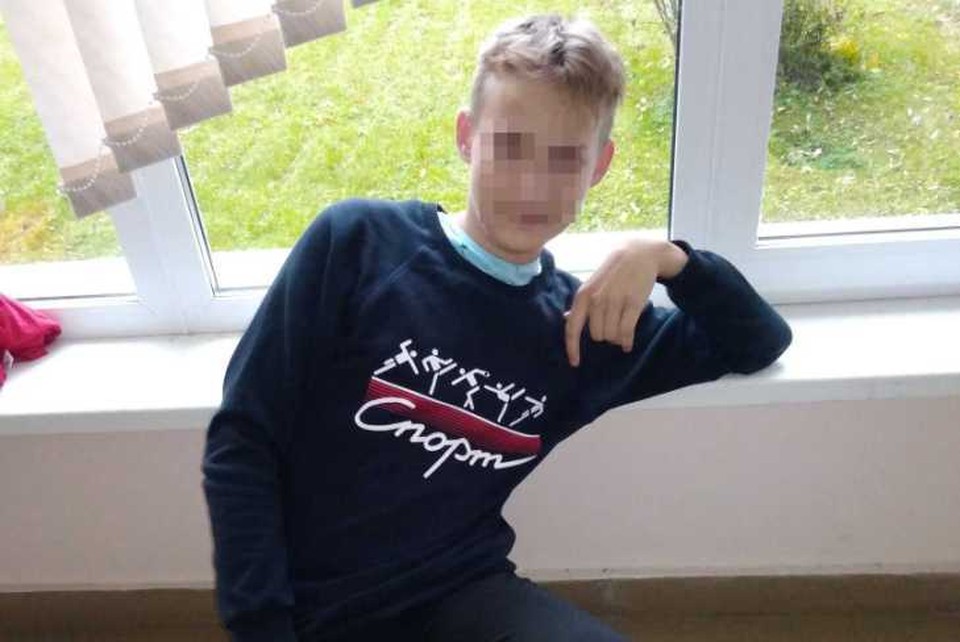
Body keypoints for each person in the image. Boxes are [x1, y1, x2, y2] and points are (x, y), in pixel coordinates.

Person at [202, 13, 793, 642]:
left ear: (599, 166)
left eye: (565, 159)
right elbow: (244, 438)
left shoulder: (583, 326)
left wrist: (669, 258)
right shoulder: (359, 244)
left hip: (462, 593)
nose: (533, 184)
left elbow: (757, 339)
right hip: (314, 609)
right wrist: (262, 624)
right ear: (467, 136)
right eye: (510, 147)